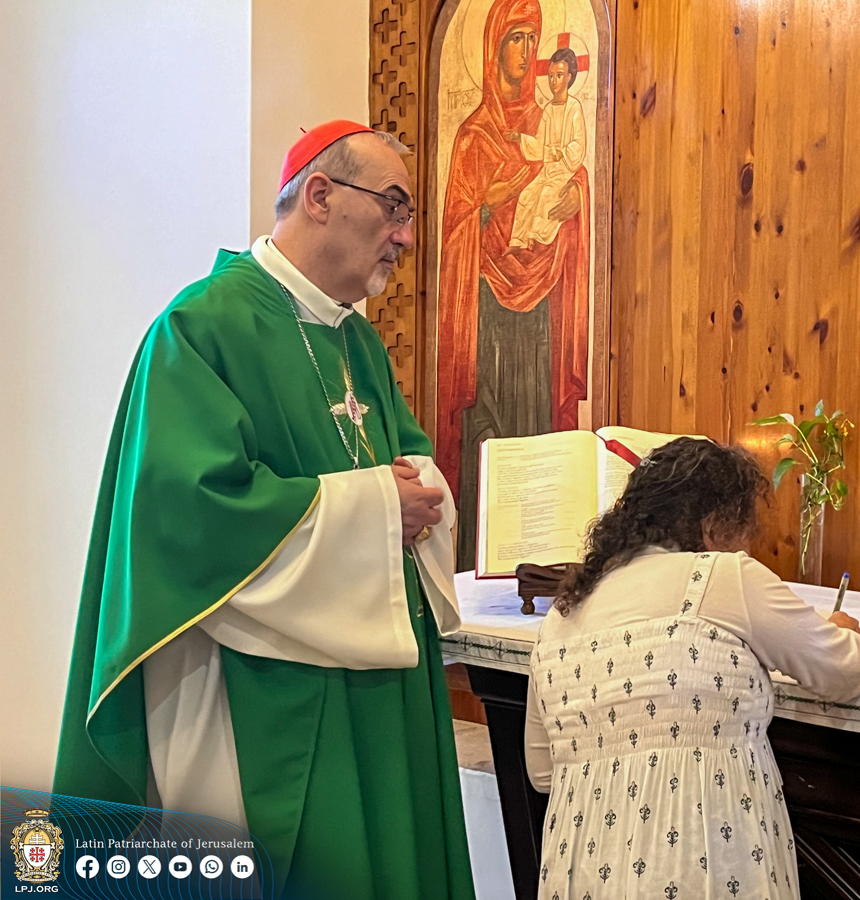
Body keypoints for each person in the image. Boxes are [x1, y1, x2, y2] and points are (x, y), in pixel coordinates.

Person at [53, 120, 475, 900]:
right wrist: (380, 506)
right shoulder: (205, 325)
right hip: (261, 696)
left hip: (372, 693)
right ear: (319, 195)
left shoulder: (360, 346)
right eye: (393, 206)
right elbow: (191, 511)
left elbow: (413, 474)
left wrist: (413, 498)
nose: (406, 237)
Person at [524, 439, 860, 899]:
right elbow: (840, 672)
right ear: (713, 526)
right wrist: (844, 630)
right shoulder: (722, 578)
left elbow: (543, 772)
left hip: (584, 867)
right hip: (702, 857)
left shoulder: (562, 615)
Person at [436, 0, 592, 567]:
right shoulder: (474, 137)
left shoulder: (549, 121)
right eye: (516, 40)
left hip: (542, 303)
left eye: (534, 41)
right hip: (487, 313)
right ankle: (483, 557)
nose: (527, 54)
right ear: (493, 47)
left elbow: (571, 180)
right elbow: (454, 226)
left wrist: (579, 199)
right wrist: (483, 207)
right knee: (491, 423)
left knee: (537, 416)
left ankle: (548, 561)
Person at [506, 47, 588, 253]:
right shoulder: (549, 110)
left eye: (559, 76)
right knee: (526, 195)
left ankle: (536, 238)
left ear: (569, 77)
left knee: (545, 195)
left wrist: (561, 152)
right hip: (548, 170)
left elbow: (579, 143)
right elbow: (541, 144)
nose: (554, 81)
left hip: (564, 171)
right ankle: (518, 241)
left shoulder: (574, 108)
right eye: (551, 76)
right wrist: (521, 138)